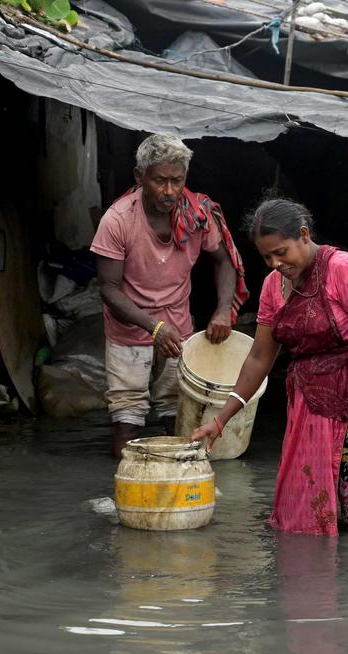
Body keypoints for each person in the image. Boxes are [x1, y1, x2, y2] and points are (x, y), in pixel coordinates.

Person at [192, 198, 348, 535]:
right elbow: (260, 357)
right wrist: (221, 419)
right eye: (267, 257)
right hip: (310, 403)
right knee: (306, 509)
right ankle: (313, 581)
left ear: (304, 235)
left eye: (281, 252)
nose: (275, 263)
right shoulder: (272, 287)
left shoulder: (343, 268)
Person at [91, 133, 246, 457]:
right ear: (140, 177)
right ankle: (129, 490)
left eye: (177, 180)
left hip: (179, 326)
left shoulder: (197, 215)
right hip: (129, 330)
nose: (170, 191)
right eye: (160, 181)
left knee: (179, 413)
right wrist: (153, 327)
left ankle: (178, 489)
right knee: (127, 416)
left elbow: (224, 263)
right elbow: (108, 288)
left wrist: (221, 310)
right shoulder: (118, 219)